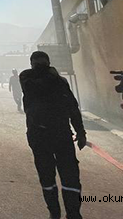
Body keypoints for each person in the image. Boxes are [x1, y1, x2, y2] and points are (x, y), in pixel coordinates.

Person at [20, 51, 86, 219]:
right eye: (38, 63)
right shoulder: (27, 78)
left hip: (61, 134)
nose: (40, 66)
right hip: (40, 135)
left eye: (42, 63)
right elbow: (37, 87)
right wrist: (52, 74)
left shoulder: (60, 82)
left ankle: (73, 213)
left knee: (70, 177)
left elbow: (72, 107)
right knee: (47, 177)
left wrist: (80, 131)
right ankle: (54, 212)